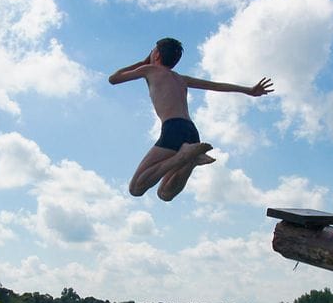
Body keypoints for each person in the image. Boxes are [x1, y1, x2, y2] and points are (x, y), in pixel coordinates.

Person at [108, 37, 273, 201]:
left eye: (152, 52)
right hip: (191, 132)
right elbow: (215, 86)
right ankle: (191, 160)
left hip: (174, 128)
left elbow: (114, 78)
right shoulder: (181, 79)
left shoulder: (149, 70)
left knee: (136, 188)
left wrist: (143, 62)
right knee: (165, 194)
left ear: (156, 55)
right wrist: (248, 90)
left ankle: (183, 156)